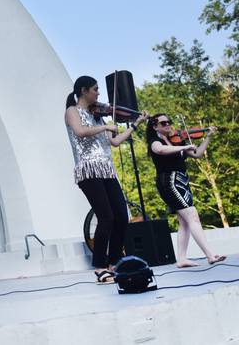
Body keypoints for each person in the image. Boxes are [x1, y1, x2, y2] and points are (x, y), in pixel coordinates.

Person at [65, 75, 148, 283]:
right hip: (88, 170)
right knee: (106, 217)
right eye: (95, 89)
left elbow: (115, 141)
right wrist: (105, 127)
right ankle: (100, 266)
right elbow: (80, 132)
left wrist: (135, 124)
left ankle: (114, 262)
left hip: (106, 170)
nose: (98, 93)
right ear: (84, 90)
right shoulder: (72, 111)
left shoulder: (98, 115)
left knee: (121, 214)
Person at [146, 114, 225, 267]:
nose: (168, 125)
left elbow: (198, 154)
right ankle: (210, 255)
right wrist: (184, 146)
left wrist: (207, 137)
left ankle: (181, 259)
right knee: (192, 216)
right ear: (155, 126)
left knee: (184, 222)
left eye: (169, 122)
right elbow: (161, 150)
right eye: (163, 123)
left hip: (181, 180)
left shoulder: (177, 140)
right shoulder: (155, 142)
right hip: (169, 181)